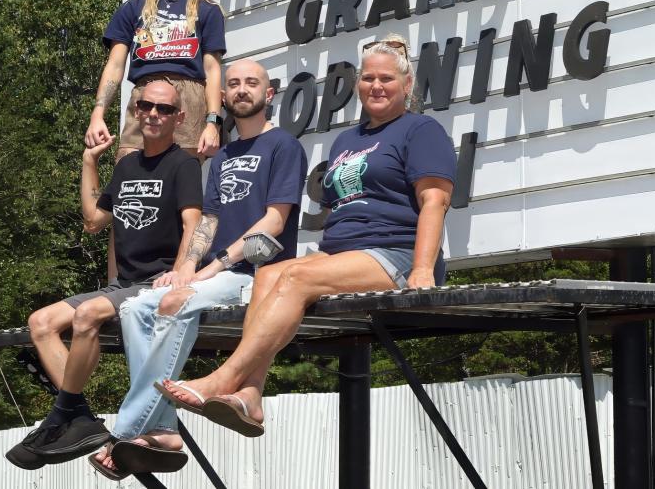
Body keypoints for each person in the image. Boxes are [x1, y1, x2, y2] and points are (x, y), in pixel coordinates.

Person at [155, 34, 456, 437]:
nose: (376, 86)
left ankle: (222, 378)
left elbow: (435, 201)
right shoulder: (349, 140)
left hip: (395, 251)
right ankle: (250, 396)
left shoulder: (421, 129)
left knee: (295, 277)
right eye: (368, 78)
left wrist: (422, 270)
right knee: (268, 274)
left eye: (386, 78)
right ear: (357, 85)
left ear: (407, 85)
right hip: (343, 253)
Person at [89, 59, 307, 479]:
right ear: (223, 97)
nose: (242, 90)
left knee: (175, 303)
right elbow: (208, 221)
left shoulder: (283, 146)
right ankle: (164, 428)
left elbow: (274, 223)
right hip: (215, 273)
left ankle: (126, 432)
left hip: (258, 276)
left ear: (269, 94)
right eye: (235, 84)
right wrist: (189, 265)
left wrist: (212, 269)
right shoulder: (223, 155)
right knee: (135, 308)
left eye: (252, 83)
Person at [5, 80, 203, 469]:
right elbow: (94, 220)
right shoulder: (127, 165)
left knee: (87, 314)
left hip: (153, 284)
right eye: (147, 105)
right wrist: (89, 162)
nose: (154, 114)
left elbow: (193, 222)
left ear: (179, 118)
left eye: (164, 109)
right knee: (40, 322)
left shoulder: (184, 165)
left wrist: (181, 272)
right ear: (136, 110)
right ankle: (77, 412)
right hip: (121, 285)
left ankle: (63, 416)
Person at [87, 0, 226, 161]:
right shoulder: (132, 8)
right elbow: (115, 65)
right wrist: (98, 114)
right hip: (144, 96)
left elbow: (212, 70)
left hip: (188, 98)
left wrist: (213, 122)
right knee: (130, 176)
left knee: (180, 186)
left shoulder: (207, 9)